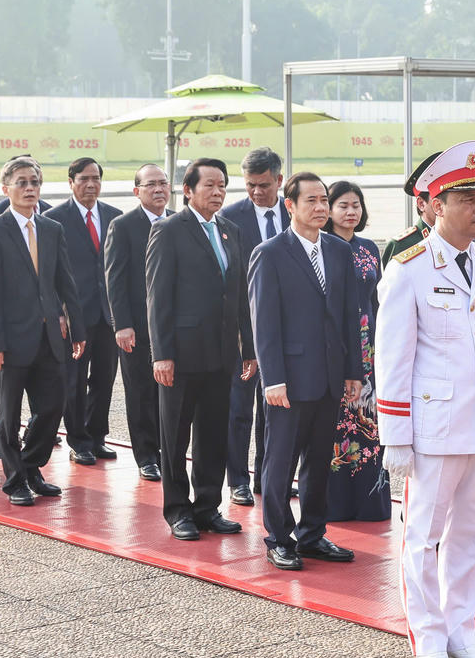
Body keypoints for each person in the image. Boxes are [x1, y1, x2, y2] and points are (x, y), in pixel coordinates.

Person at [377, 141, 475, 658]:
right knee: (423, 537)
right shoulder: (409, 269)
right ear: (437, 204)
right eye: (467, 198)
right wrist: (396, 436)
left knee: (469, 537)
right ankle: (429, 639)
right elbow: (393, 360)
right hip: (435, 428)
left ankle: (463, 634)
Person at [248, 171, 361, 571]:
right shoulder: (271, 252)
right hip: (289, 380)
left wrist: (353, 372)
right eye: (311, 200)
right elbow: (265, 323)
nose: (321, 208)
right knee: (280, 462)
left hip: (330, 376)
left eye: (324, 200)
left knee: (318, 460)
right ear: (289, 205)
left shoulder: (337, 250)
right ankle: (279, 537)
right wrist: (272, 378)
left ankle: (313, 534)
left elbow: (349, 315)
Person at [147, 158, 254, 540]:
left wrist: (249, 346)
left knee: (212, 433)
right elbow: (158, 297)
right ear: (188, 190)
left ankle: (207, 506)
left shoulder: (230, 231)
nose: (218, 191)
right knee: (174, 436)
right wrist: (161, 353)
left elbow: (239, 293)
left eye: (222, 185)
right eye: (209, 185)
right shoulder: (169, 230)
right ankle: (178, 510)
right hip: (181, 353)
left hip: (221, 352)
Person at [0, 156, 85, 505]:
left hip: (50, 338)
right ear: (5, 189)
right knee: (8, 416)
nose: (29, 189)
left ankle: (30, 464)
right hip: (8, 341)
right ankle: (15, 481)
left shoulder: (52, 229)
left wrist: (78, 329)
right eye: (21, 182)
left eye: (34, 182)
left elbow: (65, 282)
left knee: (53, 406)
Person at [217, 146, 289, 505]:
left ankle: (266, 476)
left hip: (287, 332)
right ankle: (238, 480)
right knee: (239, 409)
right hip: (243, 331)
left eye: (263, 185)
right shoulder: (229, 219)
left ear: (279, 180)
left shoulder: (296, 214)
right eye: (250, 185)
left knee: (275, 409)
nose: (257, 192)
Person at [45, 158, 121, 467]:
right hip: (74, 312)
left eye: (96, 179)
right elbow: (47, 273)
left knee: (104, 378)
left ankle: (96, 436)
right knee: (73, 380)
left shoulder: (114, 217)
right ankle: (78, 439)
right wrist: (58, 311)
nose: (90, 184)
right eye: (84, 179)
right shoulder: (54, 219)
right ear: (71, 182)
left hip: (108, 314)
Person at [322, 180, 389, 522]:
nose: (350, 212)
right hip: (337, 344)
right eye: (343, 205)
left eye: (356, 206)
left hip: (371, 345)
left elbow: (378, 301)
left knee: (369, 422)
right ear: (329, 210)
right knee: (336, 425)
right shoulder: (322, 247)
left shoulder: (369, 249)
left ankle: (369, 502)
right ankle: (335, 505)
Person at [103, 163, 168, 482]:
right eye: (151, 184)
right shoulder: (123, 225)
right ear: (137, 191)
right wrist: (121, 324)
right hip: (137, 327)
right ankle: (146, 456)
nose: (159, 189)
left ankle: (167, 450)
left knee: (169, 394)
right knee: (140, 392)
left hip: (172, 328)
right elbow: (114, 279)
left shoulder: (178, 222)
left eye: (163, 183)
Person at [379, 152, 440, 265]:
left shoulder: (464, 240)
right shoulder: (402, 245)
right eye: (439, 200)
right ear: (421, 204)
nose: (446, 205)